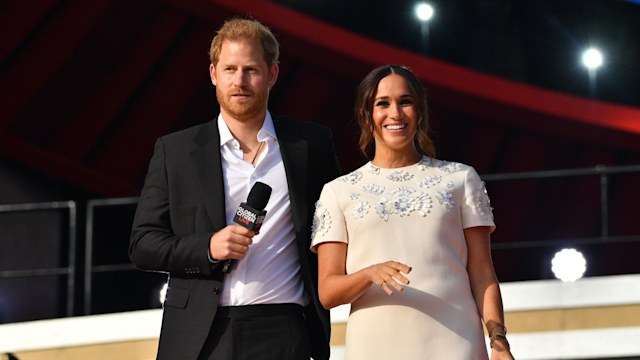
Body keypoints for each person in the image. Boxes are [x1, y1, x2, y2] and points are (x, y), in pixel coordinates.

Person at [129, 18, 340, 360]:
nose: (239, 81)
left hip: (287, 328)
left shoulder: (311, 145)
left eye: (251, 70)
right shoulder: (176, 151)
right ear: (214, 74)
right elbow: (142, 245)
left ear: (272, 74)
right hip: (202, 334)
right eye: (230, 69)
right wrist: (209, 247)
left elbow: (340, 225)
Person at [311, 65, 514, 359]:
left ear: (419, 111)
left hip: (456, 343)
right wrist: (369, 273)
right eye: (383, 103)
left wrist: (498, 340)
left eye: (405, 102)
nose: (395, 113)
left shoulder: (460, 179)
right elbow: (328, 293)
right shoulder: (338, 192)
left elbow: (483, 274)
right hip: (374, 345)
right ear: (366, 114)